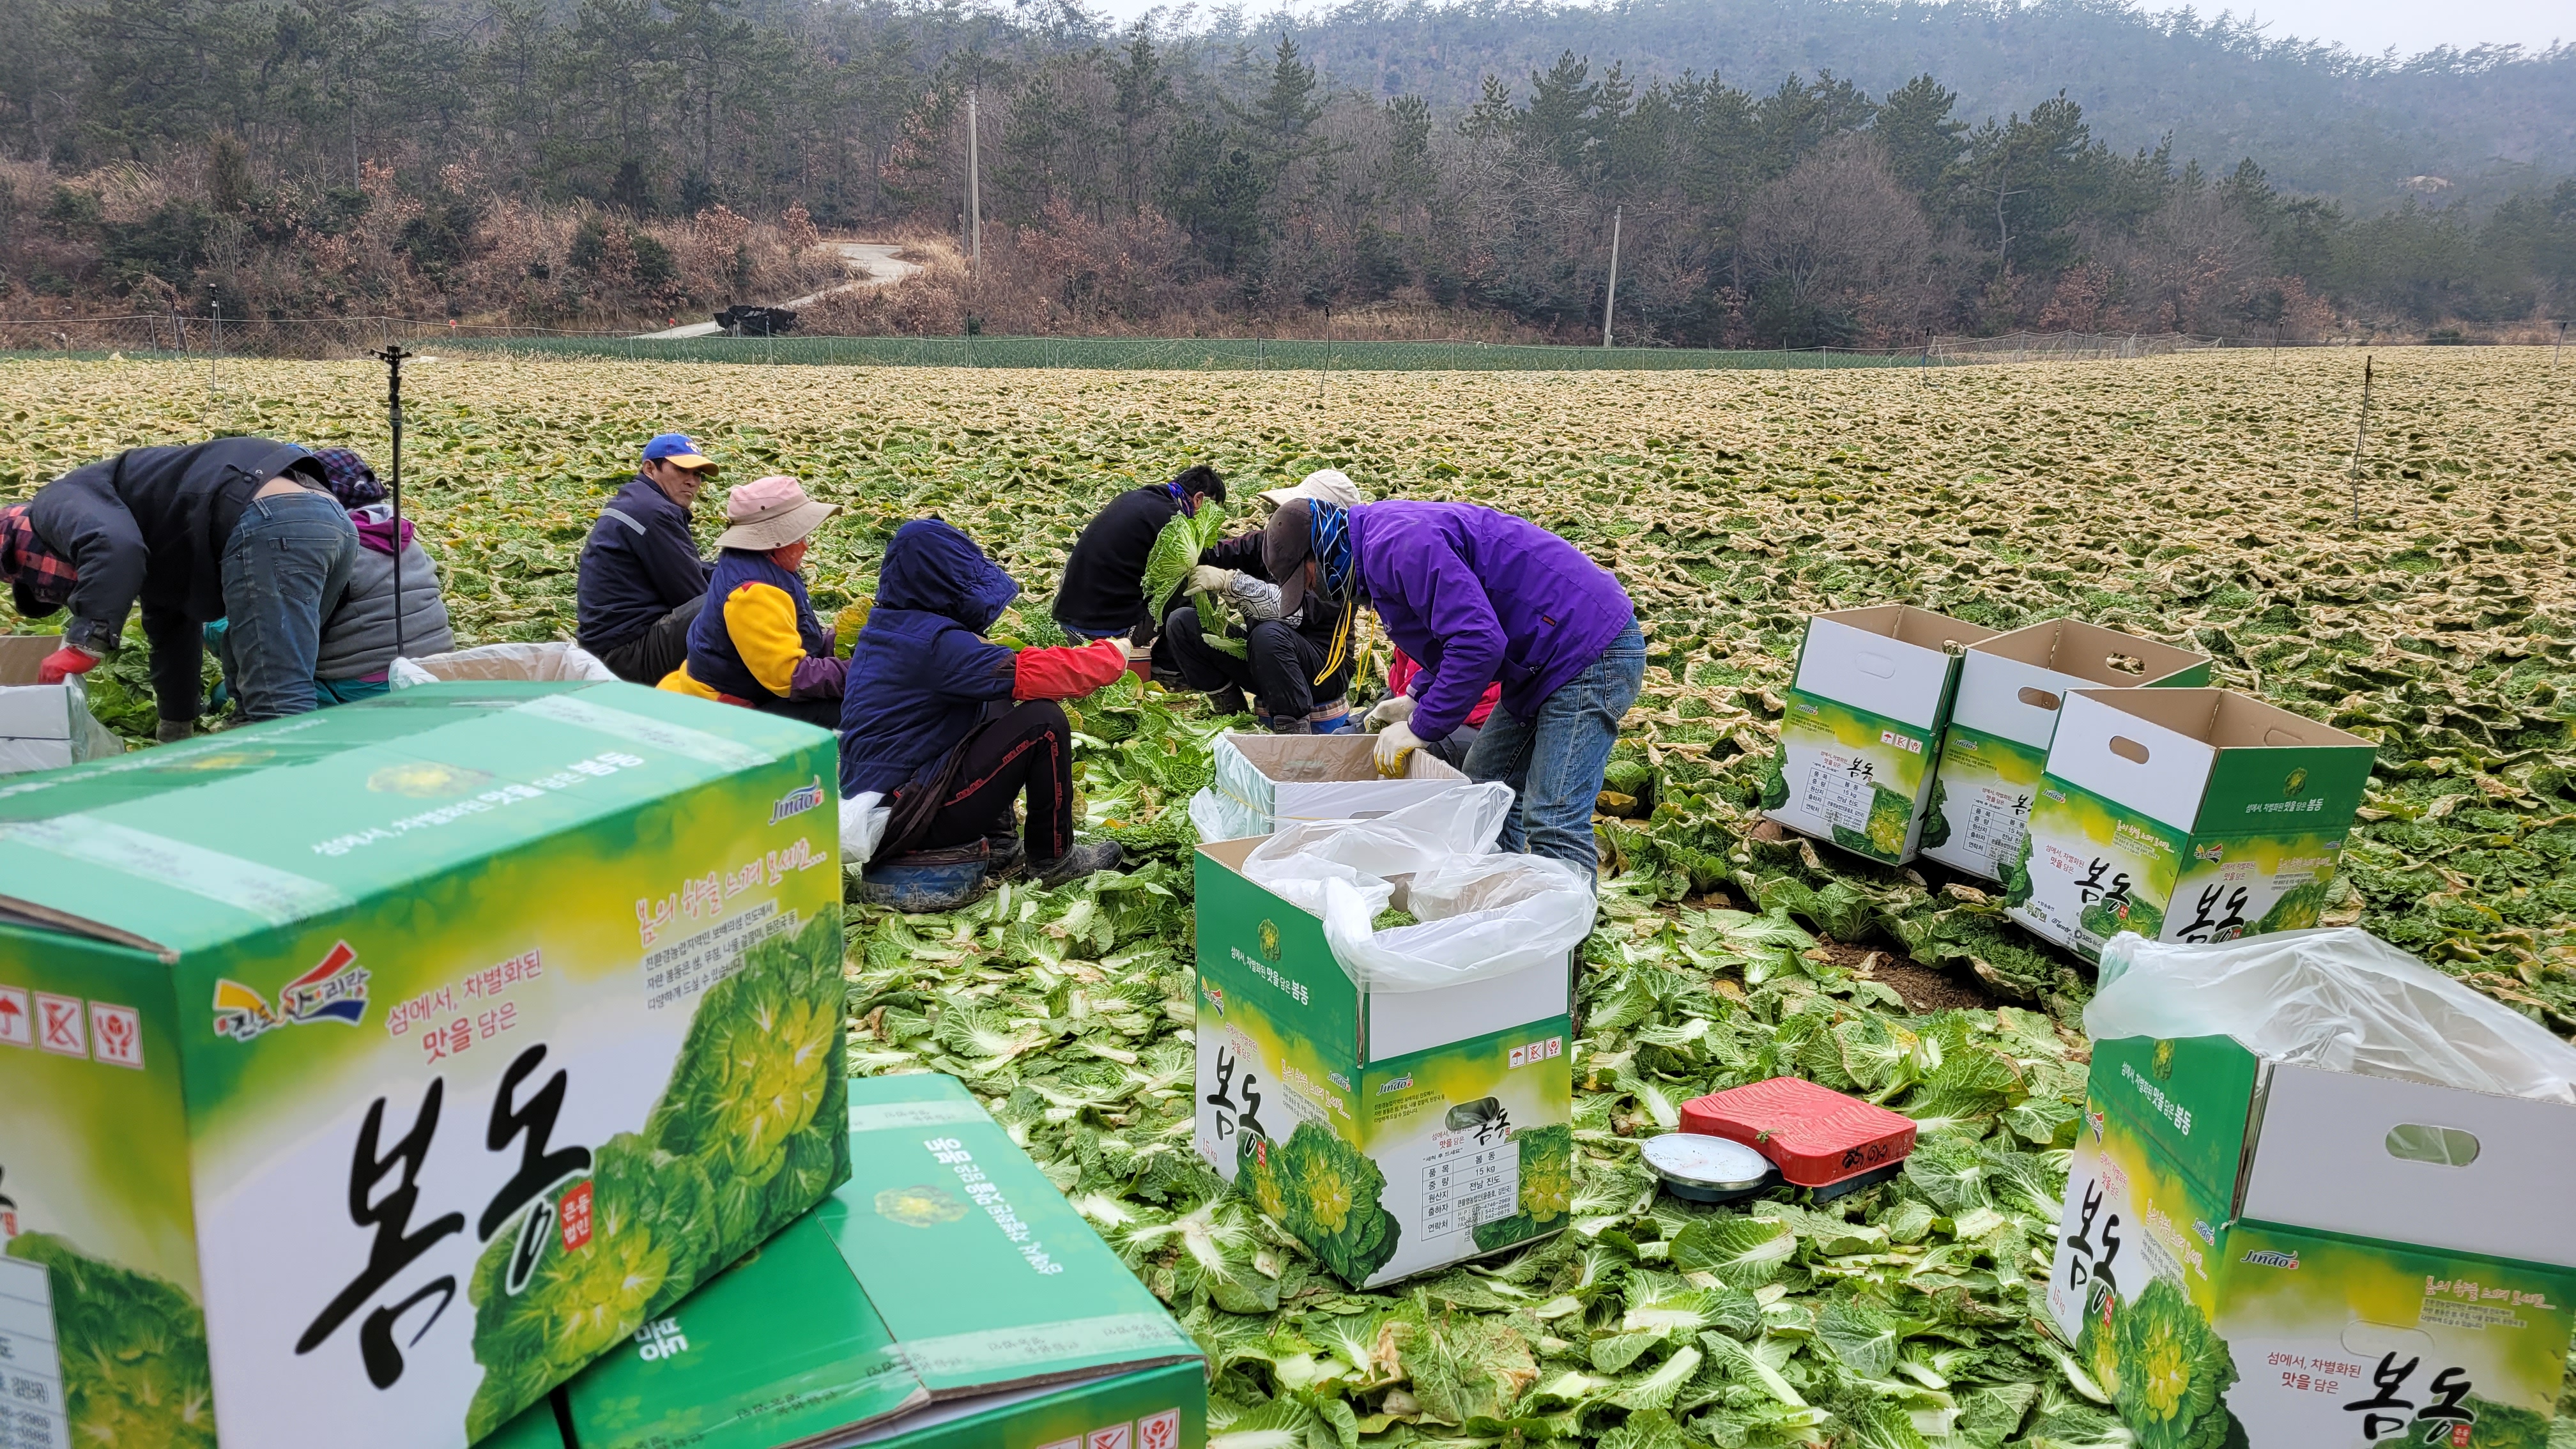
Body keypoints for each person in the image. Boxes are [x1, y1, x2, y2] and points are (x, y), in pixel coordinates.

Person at [1266, 496, 1643, 884]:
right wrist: (1417, 696)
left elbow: (1478, 643)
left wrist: (1420, 727)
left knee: (1553, 814)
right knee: (1485, 783)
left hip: (1588, 649)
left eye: (1306, 579)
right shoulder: (1373, 545)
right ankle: (1496, 898)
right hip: (1541, 657)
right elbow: (1450, 629)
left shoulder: (1398, 546)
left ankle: (1566, 938)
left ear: (1321, 548)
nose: (1313, 590)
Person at [842, 518, 1131, 887]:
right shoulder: (933, 645)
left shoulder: (890, 625)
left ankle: (998, 844)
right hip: (907, 814)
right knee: (1044, 722)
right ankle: (1054, 860)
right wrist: (1113, 654)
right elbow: (1042, 675)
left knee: (994, 702)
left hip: (884, 802)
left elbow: (994, 676)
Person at [8, 438, 354, 738]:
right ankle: (267, 777)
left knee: (276, 700)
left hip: (271, 517)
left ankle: (289, 803)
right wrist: (176, 726)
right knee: (253, 675)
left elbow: (113, 547)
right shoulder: (157, 537)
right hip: (328, 517)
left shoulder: (53, 503)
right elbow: (172, 632)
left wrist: (87, 640)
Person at [209, 447, 453, 708]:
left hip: (365, 685)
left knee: (228, 691)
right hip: (436, 671)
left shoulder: (320, 544)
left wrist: (208, 625)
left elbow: (272, 627)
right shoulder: (400, 534)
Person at [1165, 470, 1363, 732]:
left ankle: (1292, 730)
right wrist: (1178, 547)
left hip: (1323, 672)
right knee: (1183, 622)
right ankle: (1230, 710)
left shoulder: (1338, 567)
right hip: (1266, 662)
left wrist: (1230, 583)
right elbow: (1220, 553)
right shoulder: (1273, 543)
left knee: (1270, 635)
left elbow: (1293, 613)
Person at [658, 476, 845, 728]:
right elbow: (789, 677)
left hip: (740, 687)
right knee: (853, 711)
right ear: (773, 540)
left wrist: (840, 640)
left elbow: (791, 637)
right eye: (797, 537)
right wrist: (859, 671)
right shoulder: (753, 592)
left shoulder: (757, 562)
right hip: (731, 709)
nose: (805, 546)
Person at [578, 433, 720, 684]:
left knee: (735, 588)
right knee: (736, 603)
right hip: (623, 654)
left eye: (698, 474)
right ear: (650, 468)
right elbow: (692, 594)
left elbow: (689, 570)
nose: (692, 481)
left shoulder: (639, 501)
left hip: (609, 646)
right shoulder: (653, 513)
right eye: (682, 470)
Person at [1050, 464, 1226, 645]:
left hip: (1069, 622)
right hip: (1105, 634)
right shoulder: (1175, 521)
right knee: (1203, 580)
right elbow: (1206, 562)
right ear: (1199, 500)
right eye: (1212, 513)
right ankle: (1167, 664)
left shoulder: (1133, 498)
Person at [1374, 645, 1498, 767]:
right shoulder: (1413, 634)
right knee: (1368, 729)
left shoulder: (1457, 635)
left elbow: (1467, 659)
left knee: (1422, 748)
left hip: (1475, 722)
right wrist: (1412, 697)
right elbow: (1434, 668)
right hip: (1439, 710)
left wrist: (1419, 726)